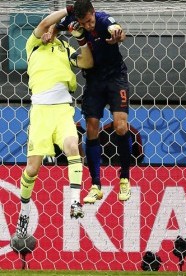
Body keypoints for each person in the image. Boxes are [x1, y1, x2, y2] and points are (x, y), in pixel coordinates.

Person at [14, 7, 94, 238]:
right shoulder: (34, 45)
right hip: (40, 111)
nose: (50, 29)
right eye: (50, 26)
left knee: (72, 146)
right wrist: (70, 9)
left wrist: (80, 39)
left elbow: (87, 63)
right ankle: (24, 212)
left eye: (54, 28)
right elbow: (46, 22)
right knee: (33, 167)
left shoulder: (64, 48)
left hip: (62, 110)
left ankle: (75, 203)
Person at [55, 0, 132, 203]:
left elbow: (117, 30)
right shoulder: (74, 20)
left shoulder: (103, 19)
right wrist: (51, 33)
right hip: (94, 79)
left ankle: (124, 177)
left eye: (90, 21)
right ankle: (95, 184)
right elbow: (55, 25)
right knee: (91, 127)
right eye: (84, 23)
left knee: (121, 126)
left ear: (93, 13)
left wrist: (118, 35)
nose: (88, 26)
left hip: (116, 77)